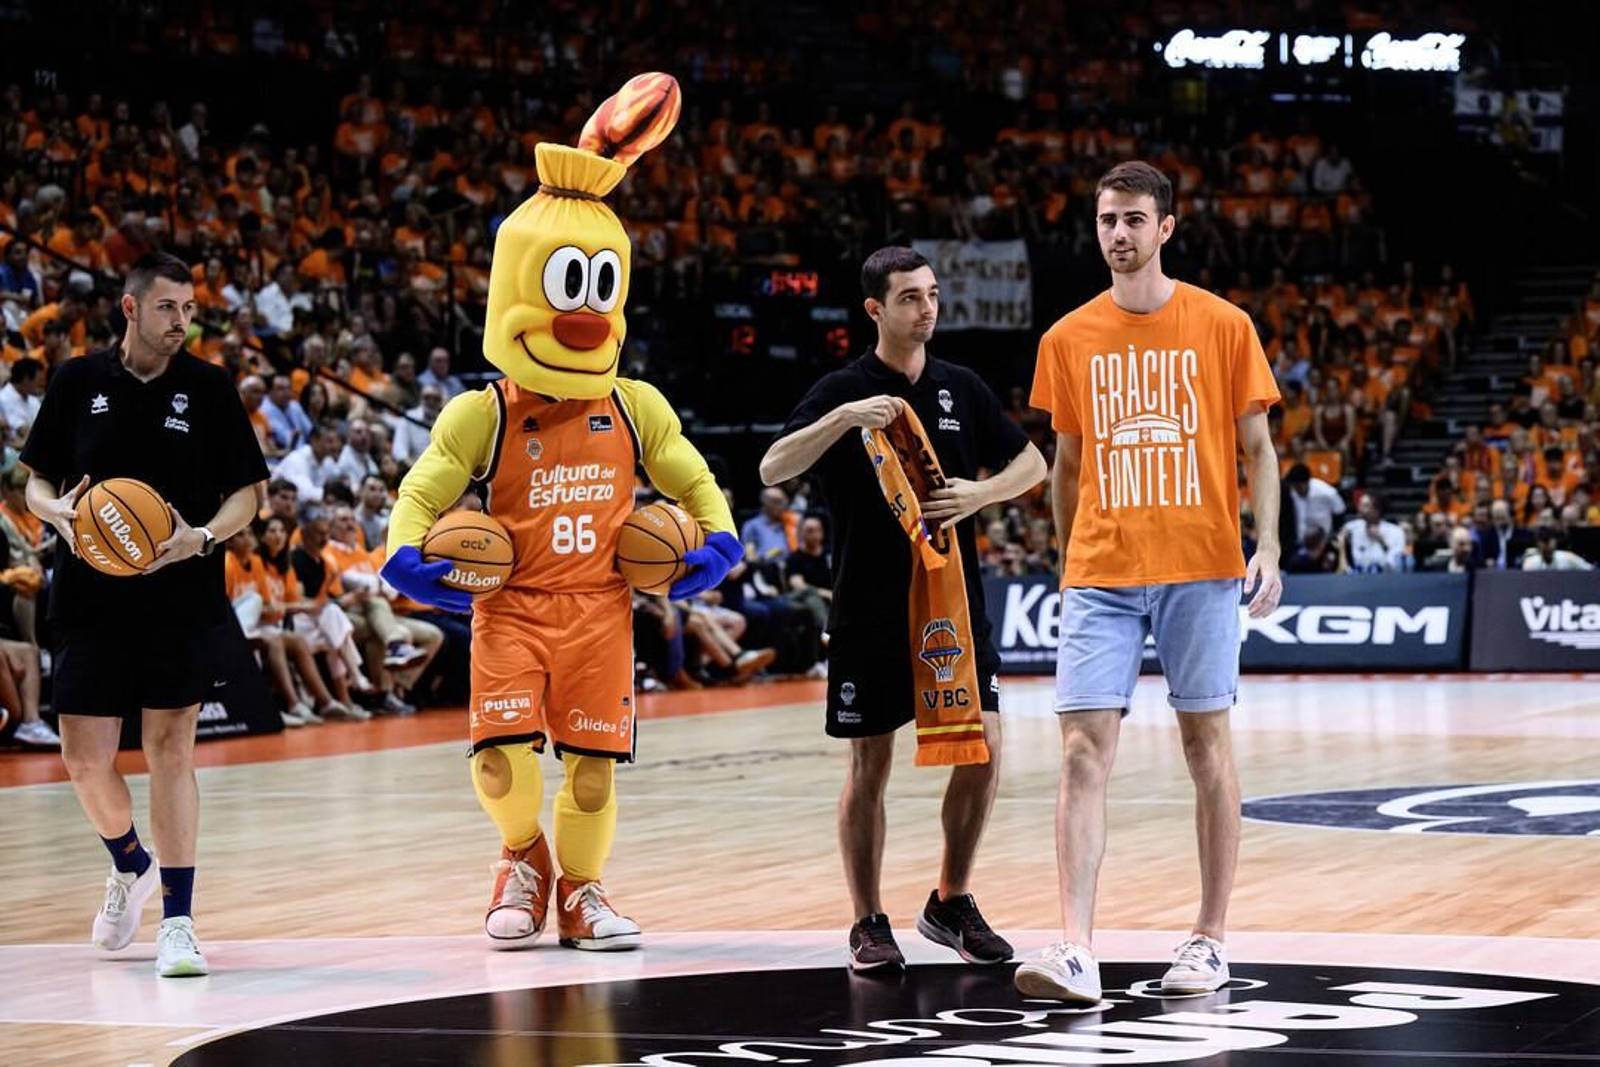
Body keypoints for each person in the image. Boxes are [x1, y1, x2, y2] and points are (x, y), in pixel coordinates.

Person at [380, 75, 744, 953]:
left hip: (599, 612)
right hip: (510, 607)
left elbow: (694, 479)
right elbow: (422, 491)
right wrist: (402, 552)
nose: (581, 313)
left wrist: (722, 540)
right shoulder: (484, 412)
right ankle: (522, 858)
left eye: (597, 290)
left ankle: (582, 891)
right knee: (500, 765)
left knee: (589, 778)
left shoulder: (634, 405)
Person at [1016, 162, 1283, 1002]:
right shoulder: (1066, 338)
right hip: (1101, 571)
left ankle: (1210, 938)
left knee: (1207, 748)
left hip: (1201, 566)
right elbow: (1066, 465)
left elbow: (1260, 450)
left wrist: (1269, 545)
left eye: (1134, 219)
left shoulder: (1224, 324)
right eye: (1107, 220)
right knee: (1080, 751)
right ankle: (1076, 948)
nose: (1119, 233)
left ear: (1166, 227)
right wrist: (1070, 561)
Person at [760, 245, 1046, 970]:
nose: (928, 308)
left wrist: (982, 493)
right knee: (870, 765)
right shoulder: (843, 389)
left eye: (933, 294)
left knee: (985, 748)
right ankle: (868, 919)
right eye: (911, 297)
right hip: (869, 608)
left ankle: (951, 900)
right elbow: (772, 466)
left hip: (952, 606)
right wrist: (841, 419)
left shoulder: (961, 386)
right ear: (876, 309)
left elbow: (1033, 461)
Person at [21, 252, 268, 977]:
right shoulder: (76, 381)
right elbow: (36, 484)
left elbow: (247, 496)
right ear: (130, 308)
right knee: (82, 759)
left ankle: (178, 921)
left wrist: (203, 536)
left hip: (179, 593)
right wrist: (56, 513)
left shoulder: (210, 387)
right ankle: (131, 862)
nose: (181, 321)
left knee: (171, 751)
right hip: (89, 596)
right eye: (168, 308)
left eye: (188, 309)